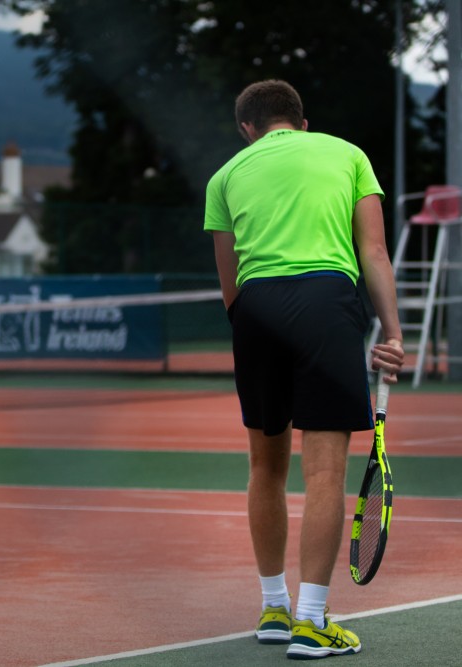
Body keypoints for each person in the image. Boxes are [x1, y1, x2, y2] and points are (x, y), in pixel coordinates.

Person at [204, 80, 404, 660]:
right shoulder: (348, 155)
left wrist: (257, 326)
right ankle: (312, 620)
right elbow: (374, 252)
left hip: (256, 309)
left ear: (248, 128)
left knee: (264, 465)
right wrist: (391, 334)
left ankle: (273, 607)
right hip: (325, 301)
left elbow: (230, 283)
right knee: (324, 471)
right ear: (301, 121)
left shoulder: (226, 175)